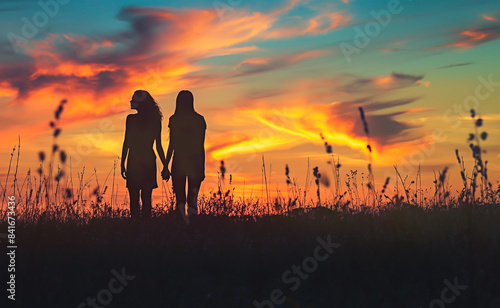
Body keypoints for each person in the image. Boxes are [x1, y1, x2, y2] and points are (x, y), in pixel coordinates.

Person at [121, 90, 168, 220]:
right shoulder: (154, 120)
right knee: (146, 197)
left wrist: (122, 162)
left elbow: (127, 142)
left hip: (135, 160)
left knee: (134, 197)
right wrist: (165, 166)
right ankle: (145, 226)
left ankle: (136, 226)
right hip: (147, 160)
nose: (131, 102)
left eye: (133, 100)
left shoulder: (131, 119)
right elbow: (158, 146)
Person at [164, 90, 206, 224]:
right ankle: (192, 225)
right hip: (194, 160)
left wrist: (166, 165)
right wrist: (202, 166)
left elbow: (172, 145)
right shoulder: (199, 119)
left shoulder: (174, 119)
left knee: (180, 199)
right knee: (192, 199)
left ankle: (181, 225)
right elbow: (201, 146)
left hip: (180, 161)